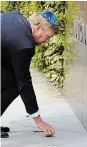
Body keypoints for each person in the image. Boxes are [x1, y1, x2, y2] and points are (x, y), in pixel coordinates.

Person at [1, 10, 59, 138]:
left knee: (8, 79)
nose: (47, 41)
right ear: (38, 27)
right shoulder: (24, 45)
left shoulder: (17, 17)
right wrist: (39, 121)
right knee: (16, 85)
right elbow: (24, 83)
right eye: (47, 36)